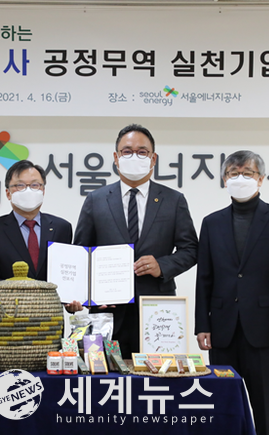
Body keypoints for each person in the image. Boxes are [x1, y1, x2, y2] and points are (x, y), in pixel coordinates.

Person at [194, 150, 269, 435]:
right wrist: (202, 325)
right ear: (224, 179)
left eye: (247, 173)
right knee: (222, 405)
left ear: (261, 179)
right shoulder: (211, 223)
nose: (240, 178)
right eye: (233, 173)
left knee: (265, 407)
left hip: (265, 331)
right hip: (222, 330)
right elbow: (204, 278)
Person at [74, 124, 198, 357]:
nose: (134, 157)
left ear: (153, 159)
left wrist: (162, 266)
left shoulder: (173, 200)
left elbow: (190, 249)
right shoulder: (95, 200)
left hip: (157, 311)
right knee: (107, 375)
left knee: (158, 374)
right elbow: (81, 254)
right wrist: (90, 295)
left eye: (142, 152)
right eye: (127, 151)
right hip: (107, 312)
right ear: (116, 158)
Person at [0, 160, 82, 312]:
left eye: (34, 185)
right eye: (20, 185)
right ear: (8, 193)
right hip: (8, 317)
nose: (28, 191)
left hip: (50, 317)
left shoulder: (62, 228)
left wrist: (71, 302)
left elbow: (67, 276)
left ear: (43, 190)